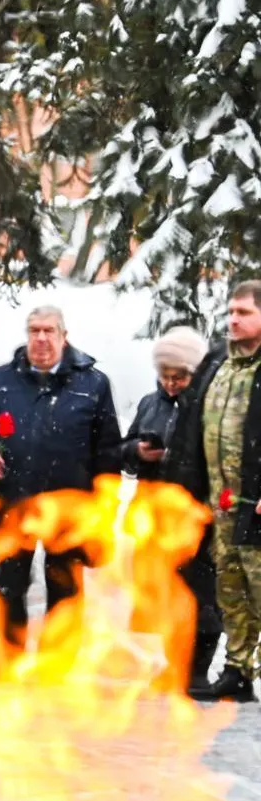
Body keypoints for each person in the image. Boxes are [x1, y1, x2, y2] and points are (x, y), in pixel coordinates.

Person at [0, 304, 122, 673]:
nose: (41, 339)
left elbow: (108, 450)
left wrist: (105, 505)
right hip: (15, 499)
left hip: (70, 505)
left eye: (49, 331)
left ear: (63, 337)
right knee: (9, 582)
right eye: (34, 331)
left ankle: (59, 659)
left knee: (65, 585)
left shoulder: (93, 384)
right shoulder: (0, 381)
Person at [171, 283, 261, 701]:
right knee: (231, 591)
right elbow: (191, 425)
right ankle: (238, 672)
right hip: (220, 507)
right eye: (230, 311)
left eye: (243, 311)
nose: (233, 319)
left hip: (255, 504)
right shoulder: (216, 364)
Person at [123, 326, 217, 693]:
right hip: (153, 511)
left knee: (200, 595)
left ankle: (197, 670)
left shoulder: (210, 406)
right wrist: (138, 452)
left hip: (195, 513)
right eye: (165, 375)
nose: (171, 383)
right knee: (160, 594)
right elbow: (125, 446)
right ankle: (170, 663)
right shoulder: (150, 403)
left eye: (180, 376)